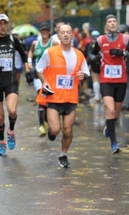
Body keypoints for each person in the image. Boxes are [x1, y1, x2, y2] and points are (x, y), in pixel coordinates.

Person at [35, 24, 90, 167]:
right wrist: (45, 81)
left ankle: (63, 154)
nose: (65, 35)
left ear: (72, 36)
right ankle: (51, 133)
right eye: (63, 33)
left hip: (70, 98)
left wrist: (82, 75)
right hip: (54, 97)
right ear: (58, 37)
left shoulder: (79, 54)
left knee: (68, 130)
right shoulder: (50, 52)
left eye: (68, 32)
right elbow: (39, 69)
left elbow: (85, 72)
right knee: (55, 129)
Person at [89, 14, 129, 154]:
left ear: (117, 24)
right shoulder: (100, 40)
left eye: (114, 21)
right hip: (106, 81)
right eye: (109, 22)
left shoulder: (124, 39)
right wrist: (96, 58)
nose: (112, 23)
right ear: (106, 25)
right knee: (110, 110)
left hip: (121, 81)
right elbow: (91, 55)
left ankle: (109, 126)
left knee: (116, 113)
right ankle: (114, 143)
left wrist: (122, 53)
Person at [0, 14, 29, 155]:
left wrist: (27, 66)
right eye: (0, 24)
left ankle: (11, 131)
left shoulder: (13, 40)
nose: (3, 26)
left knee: (12, 111)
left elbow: (23, 55)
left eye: (5, 23)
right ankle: (1, 141)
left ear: (8, 25)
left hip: (10, 81)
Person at [27, 21, 59, 137]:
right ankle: (41, 126)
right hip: (38, 75)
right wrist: (30, 62)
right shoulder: (36, 43)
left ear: (49, 32)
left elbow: (60, 54)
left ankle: (46, 121)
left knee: (48, 100)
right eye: (42, 30)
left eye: (46, 30)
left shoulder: (54, 43)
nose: (44, 32)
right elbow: (31, 52)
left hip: (50, 76)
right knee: (41, 97)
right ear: (40, 32)